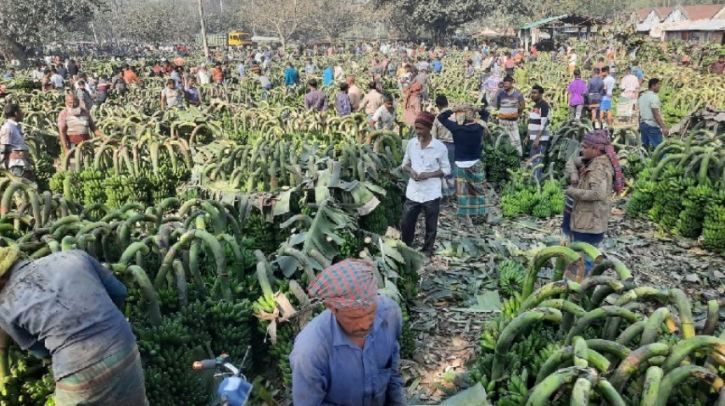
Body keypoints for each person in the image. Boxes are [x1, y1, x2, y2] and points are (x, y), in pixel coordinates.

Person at [0, 248, 149, 405]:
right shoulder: (72, 256)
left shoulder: (4, 304)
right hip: (123, 345)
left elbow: (39, 349)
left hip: (77, 368)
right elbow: (120, 292)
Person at [289, 258, 405, 406]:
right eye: (353, 317)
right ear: (331, 307)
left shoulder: (390, 315)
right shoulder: (310, 353)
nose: (364, 324)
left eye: (370, 313)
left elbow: (392, 373)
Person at [562, 130, 623, 281]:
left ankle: (575, 292)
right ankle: (570, 286)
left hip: (590, 223)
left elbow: (597, 194)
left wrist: (572, 191)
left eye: (585, 147)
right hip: (583, 218)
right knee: (576, 257)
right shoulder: (589, 160)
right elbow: (571, 162)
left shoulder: (599, 169)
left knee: (583, 262)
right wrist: (573, 174)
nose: (582, 150)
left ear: (595, 149)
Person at [398, 111, 451, 256]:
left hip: (431, 192)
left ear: (429, 128)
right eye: (416, 128)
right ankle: (406, 246)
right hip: (413, 191)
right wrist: (411, 171)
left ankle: (427, 250)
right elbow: (405, 164)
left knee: (431, 225)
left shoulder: (440, 147)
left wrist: (429, 175)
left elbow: (446, 169)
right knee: (407, 223)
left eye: (420, 128)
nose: (417, 132)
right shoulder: (411, 144)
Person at [438, 106, 486, 227]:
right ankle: (485, 214)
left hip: (460, 163)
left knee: (463, 192)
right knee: (479, 189)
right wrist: (476, 109)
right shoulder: (479, 127)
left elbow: (441, 117)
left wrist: (455, 109)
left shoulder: (456, 129)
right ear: (474, 118)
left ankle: (467, 218)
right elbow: (485, 113)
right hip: (475, 162)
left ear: (462, 118)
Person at [430, 95, 456, 199]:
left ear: (438, 105)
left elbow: (433, 136)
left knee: (442, 170)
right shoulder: (455, 116)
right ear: (447, 103)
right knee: (452, 169)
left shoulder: (437, 119)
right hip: (454, 145)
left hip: (442, 145)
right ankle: (452, 192)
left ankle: (445, 194)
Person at [0, 103, 34, 180]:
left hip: (23, 162)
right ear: (15, 113)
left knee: (31, 187)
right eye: (20, 111)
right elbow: (3, 149)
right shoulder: (7, 127)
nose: (23, 113)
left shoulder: (16, 126)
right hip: (16, 164)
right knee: (22, 189)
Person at [494, 76, 525, 156]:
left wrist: (518, 115)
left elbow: (522, 106)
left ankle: (518, 155)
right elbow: (498, 106)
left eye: (507, 83)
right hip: (502, 120)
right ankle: (504, 154)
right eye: (504, 83)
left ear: (511, 83)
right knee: (502, 138)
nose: (505, 85)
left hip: (513, 120)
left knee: (515, 139)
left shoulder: (517, 94)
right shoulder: (501, 94)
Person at [525, 85, 551, 180]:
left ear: (541, 94)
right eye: (532, 93)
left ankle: (537, 182)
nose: (533, 95)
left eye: (535, 93)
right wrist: (528, 136)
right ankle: (534, 180)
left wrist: (537, 138)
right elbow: (532, 122)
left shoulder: (544, 106)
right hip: (533, 138)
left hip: (540, 140)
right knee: (533, 160)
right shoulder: (535, 106)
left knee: (537, 162)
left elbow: (544, 123)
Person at [638, 78, 668, 150]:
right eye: (658, 84)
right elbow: (656, 114)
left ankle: (644, 160)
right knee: (660, 149)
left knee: (644, 148)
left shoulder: (642, 96)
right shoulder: (654, 97)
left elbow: (639, 113)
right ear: (653, 86)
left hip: (643, 124)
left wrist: (639, 124)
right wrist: (663, 127)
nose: (660, 86)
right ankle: (662, 161)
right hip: (651, 125)